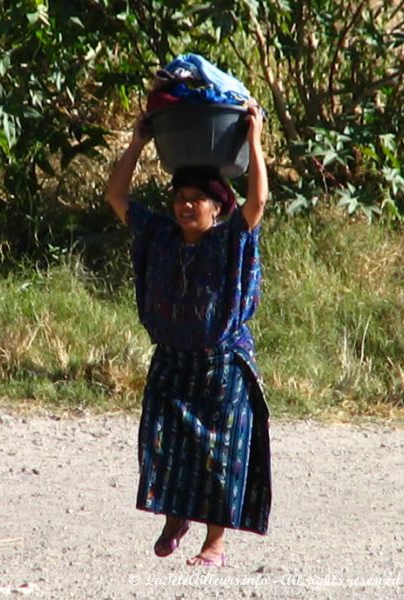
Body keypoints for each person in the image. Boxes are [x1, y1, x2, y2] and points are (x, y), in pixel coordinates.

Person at [105, 104, 272, 567]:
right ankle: (176, 515)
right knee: (161, 439)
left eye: (197, 198)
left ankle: (214, 544)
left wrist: (254, 140)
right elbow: (116, 197)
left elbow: (256, 203)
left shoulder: (229, 239)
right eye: (180, 195)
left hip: (221, 365)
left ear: (217, 208)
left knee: (221, 454)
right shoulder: (159, 236)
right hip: (173, 361)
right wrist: (137, 142)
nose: (184, 204)